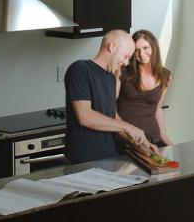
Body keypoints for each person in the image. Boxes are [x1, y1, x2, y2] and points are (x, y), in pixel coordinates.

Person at [64, 29, 156, 165]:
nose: (126, 63)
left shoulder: (111, 79)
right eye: (126, 56)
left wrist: (139, 143)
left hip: (108, 158)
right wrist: (128, 127)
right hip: (83, 161)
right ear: (112, 47)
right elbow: (85, 116)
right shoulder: (80, 69)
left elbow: (112, 116)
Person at [116, 29, 173, 148]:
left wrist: (166, 139)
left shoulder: (166, 75)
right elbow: (110, 108)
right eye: (137, 50)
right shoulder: (121, 71)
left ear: (154, 47)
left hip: (153, 138)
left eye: (145, 48)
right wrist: (125, 133)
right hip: (126, 139)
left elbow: (158, 109)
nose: (141, 54)